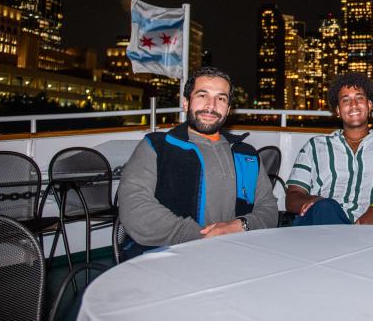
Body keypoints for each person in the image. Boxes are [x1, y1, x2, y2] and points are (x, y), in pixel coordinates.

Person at [118, 66, 278, 259]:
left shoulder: (247, 155)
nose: (211, 105)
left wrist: (239, 225)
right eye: (202, 95)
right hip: (168, 256)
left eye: (221, 98)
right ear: (186, 103)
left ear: (228, 110)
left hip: (234, 254)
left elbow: (269, 209)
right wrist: (200, 237)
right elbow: (135, 208)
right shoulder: (156, 147)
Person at [286, 72, 373, 225]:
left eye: (359, 98)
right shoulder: (314, 146)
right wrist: (314, 201)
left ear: (370, 105)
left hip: (367, 224)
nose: (353, 104)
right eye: (346, 100)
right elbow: (292, 196)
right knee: (327, 207)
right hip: (320, 221)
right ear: (337, 110)